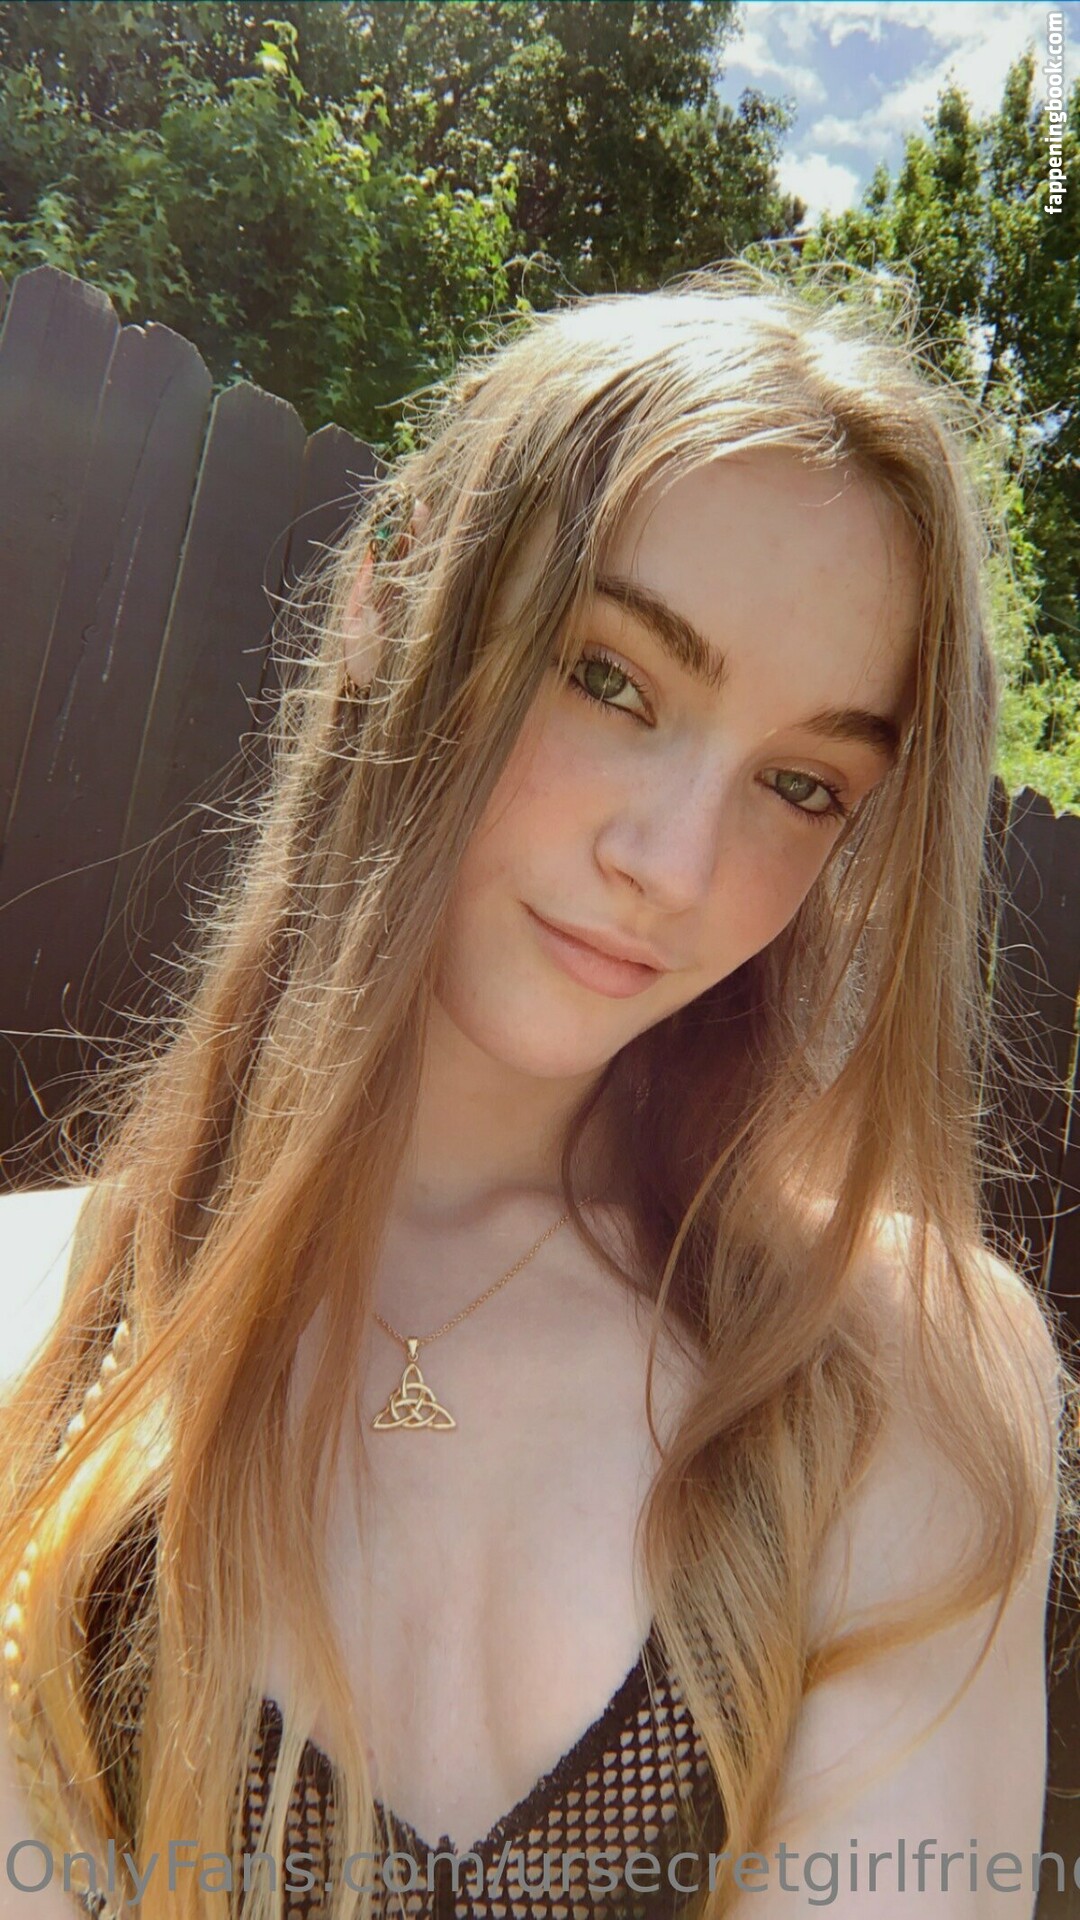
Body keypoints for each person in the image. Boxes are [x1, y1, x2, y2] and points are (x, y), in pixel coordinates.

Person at [0, 264, 1074, 1920]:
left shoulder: (897, 1374)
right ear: (387, 596)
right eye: (612, 678)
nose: (675, 863)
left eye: (801, 784)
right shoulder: (31, 1338)